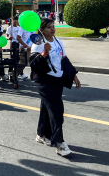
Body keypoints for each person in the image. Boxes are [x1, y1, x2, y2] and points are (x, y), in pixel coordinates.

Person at [30, 18, 81, 157]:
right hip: (45, 81)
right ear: (41, 30)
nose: (52, 29)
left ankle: (41, 134)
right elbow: (34, 64)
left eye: (53, 26)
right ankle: (60, 144)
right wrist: (44, 54)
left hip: (57, 80)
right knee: (57, 111)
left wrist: (74, 75)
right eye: (49, 27)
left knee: (47, 108)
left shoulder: (58, 42)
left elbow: (64, 60)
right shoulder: (38, 44)